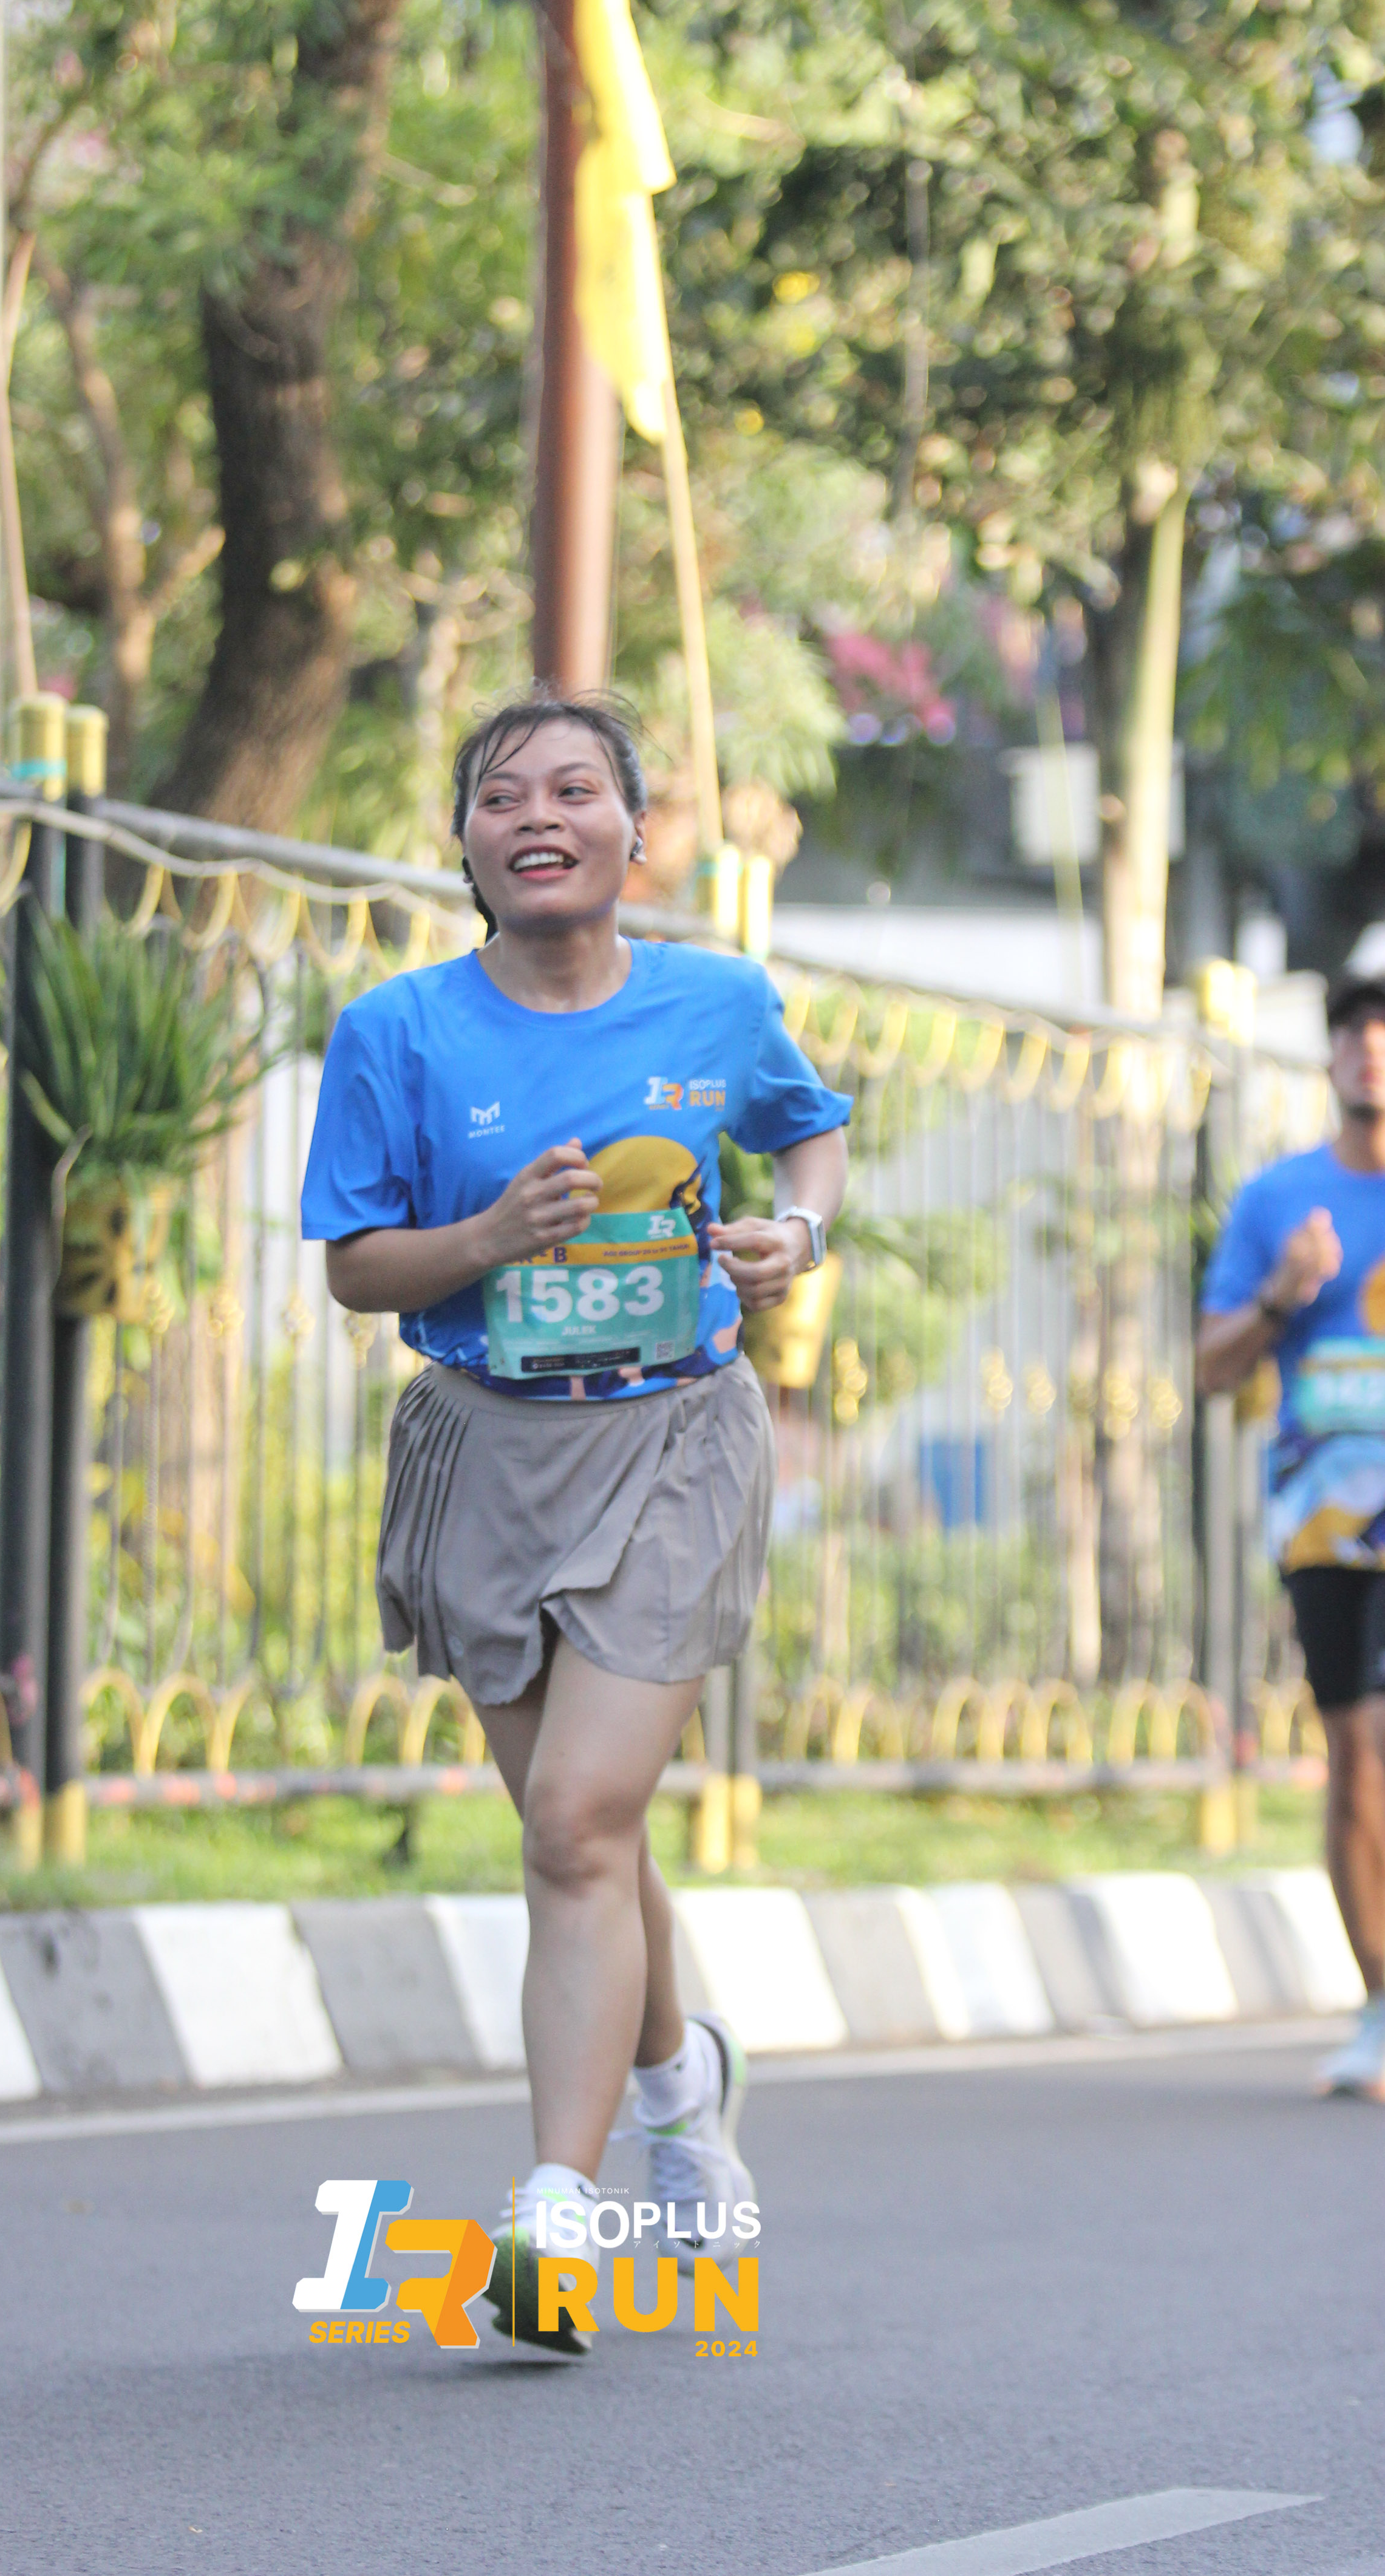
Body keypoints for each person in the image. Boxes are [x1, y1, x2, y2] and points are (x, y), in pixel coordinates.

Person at [301, 695, 849, 2351]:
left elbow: (807, 1134)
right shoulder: (396, 1033)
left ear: (632, 830)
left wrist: (797, 1238)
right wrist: (484, 1236)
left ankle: (554, 2212)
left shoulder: (717, 1001)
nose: (536, 815)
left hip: (673, 1434)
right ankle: (681, 2081)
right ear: (465, 847)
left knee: (575, 1818)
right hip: (486, 1450)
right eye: (500, 795)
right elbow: (354, 1266)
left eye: (573, 788)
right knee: (579, 1834)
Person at [1198, 968, 1385, 2099]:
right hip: (1327, 1517)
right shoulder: (1280, 1201)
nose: (1372, 1051)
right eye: (1355, 1034)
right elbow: (1211, 1367)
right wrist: (1283, 1293)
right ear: (1330, 1059)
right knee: (1357, 1758)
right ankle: (1380, 2004)